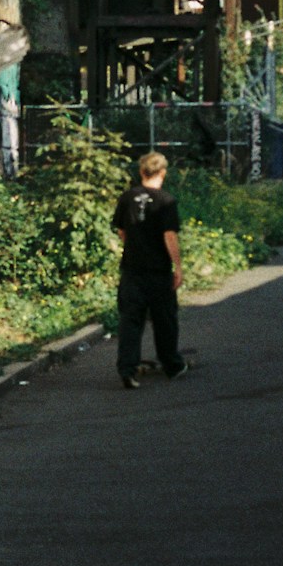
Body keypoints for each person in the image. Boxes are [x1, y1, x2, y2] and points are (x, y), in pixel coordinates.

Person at [112, 152, 188, 389]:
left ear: (141, 172)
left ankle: (127, 369)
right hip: (158, 271)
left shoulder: (126, 198)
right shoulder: (166, 201)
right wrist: (177, 266)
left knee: (130, 321)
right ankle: (171, 364)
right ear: (163, 173)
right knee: (164, 319)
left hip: (132, 270)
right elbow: (169, 236)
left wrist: (134, 245)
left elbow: (122, 230)